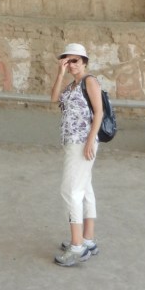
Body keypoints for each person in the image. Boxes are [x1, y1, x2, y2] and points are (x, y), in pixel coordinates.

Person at [50, 42, 103, 267]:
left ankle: (76, 246)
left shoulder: (90, 81)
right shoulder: (72, 86)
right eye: (67, 60)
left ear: (84, 62)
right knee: (85, 189)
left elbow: (99, 112)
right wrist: (60, 73)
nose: (71, 64)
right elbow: (54, 99)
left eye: (75, 60)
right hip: (73, 141)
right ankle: (87, 239)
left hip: (82, 143)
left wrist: (90, 141)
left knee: (70, 190)